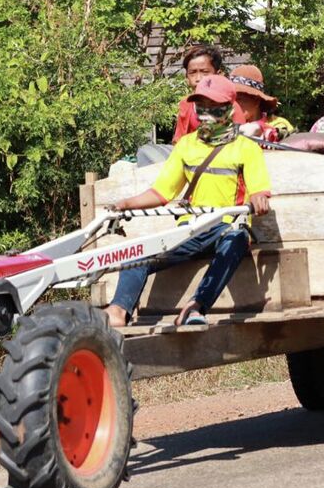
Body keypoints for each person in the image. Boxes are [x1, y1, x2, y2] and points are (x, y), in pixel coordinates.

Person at [104, 74, 271, 327]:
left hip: (226, 227)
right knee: (138, 251)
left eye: (213, 107)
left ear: (228, 109)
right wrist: (125, 204)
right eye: (201, 106)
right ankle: (118, 310)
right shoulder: (186, 145)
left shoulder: (246, 148)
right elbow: (162, 193)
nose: (206, 113)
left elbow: (258, 190)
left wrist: (259, 199)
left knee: (236, 240)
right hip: (191, 228)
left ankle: (196, 307)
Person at [172, 45, 244, 143]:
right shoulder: (186, 104)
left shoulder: (229, 106)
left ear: (218, 74)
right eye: (192, 72)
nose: (198, 78)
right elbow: (178, 141)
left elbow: (240, 141)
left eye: (205, 72)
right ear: (186, 77)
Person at [229, 65, 295, 143]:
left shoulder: (279, 124)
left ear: (256, 101)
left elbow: (292, 140)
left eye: (239, 99)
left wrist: (261, 129)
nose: (233, 104)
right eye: (230, 100)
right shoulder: (227, 126)